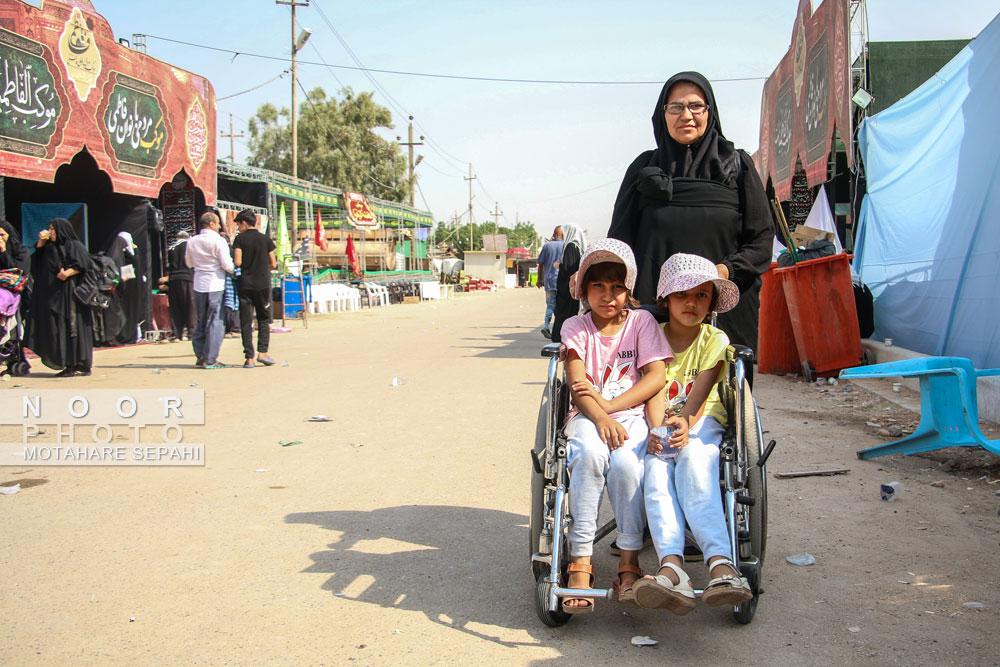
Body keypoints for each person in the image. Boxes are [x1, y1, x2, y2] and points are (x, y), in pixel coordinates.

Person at [608, 71, 773, 351]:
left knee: (722, 391)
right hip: (655, 314)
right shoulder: (644, 169)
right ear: (663, 114)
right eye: (676, 107)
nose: (686, 115)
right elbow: (619, 244)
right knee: (654, 390)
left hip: (724, 314)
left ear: (710, 112)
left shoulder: (737, 166)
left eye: (696, 105)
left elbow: (761, 239)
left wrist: (725, 271)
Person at [631, 253, 752, 613]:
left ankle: (720, 562)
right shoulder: (651, 336)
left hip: (703, 419)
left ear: (711, 305)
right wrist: (656, 430)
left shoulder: (714, 339)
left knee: (695, 464)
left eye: (702, 296)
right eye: (683, 294)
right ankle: (672, 565)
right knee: (654, 471)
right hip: (658, 419)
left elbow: (701, 392)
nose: (692, 303)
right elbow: (652, 387)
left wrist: (685, 422)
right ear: (666, 299)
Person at [557, 238, 671, 613]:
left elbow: (656, 376)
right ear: (585, 290)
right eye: (598, 287)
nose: (608, 296)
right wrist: (602, 416)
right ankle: (580, 561)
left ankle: (628, 562)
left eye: (617, 287)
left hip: (632, 415)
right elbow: (577, 384)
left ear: (629, 290)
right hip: (589, 415)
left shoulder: (642, 322)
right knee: (588, 454)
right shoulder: (576, 326)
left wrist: (613, 406)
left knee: (626, 465)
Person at [25, 218, 93, 376]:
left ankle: (78, 365)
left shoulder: (74, 245)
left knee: (72, 327)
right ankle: (66, 363)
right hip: (52, 297)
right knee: (57, 329)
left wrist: (67, 273)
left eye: (53, 229)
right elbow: (36, 264)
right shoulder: (49, 247)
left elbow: (83, 264)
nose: (50, 232)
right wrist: (41, 243)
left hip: (69, 295)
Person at [185, 211, 234, 369]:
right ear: (212, 224)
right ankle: (210, 358)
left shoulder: (192, 241)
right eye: (218, 223)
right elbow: (227, 265)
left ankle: (200, 355)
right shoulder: (218, 241)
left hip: (199, 283)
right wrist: (236, 270)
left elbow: (189, 263)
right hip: (215, 283)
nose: (220, 226)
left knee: (200, 321)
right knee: (215, 321)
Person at [232, 209, 277, 368]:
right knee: (263, 319)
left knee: (246, 321)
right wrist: (261, 266)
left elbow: (237, 261)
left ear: (244, 223)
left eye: (238, 224)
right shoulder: (266, 240)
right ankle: (263, 353)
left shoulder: (239, 239)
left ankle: (249, 358)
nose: (238, 227)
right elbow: (273, 263)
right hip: (262, 284)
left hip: (245, 284)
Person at [550, 224, 586, 343]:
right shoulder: (576, 247)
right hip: (569, 287)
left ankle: (558, 338)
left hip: (566, 289)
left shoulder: (570, 247)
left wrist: (559, 265)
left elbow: (568, 267)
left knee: (563, 313)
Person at [166, 231, 195, 341]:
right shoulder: (189, 245)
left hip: (174, 279)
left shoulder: (172, 248)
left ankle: (177, 334)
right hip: (187, 278)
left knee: (175, 307)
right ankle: (192, 332)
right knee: (190, 305)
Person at [536, 226, 564, 339]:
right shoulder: (565, 246)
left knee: (550, 305)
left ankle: (547, 326)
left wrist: (539, 279)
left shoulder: (547, 246)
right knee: (561, 306)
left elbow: (541, 264)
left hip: (549, 281)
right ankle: (559, 328)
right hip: (562, 281)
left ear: (554, 234)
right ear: (562, 235)